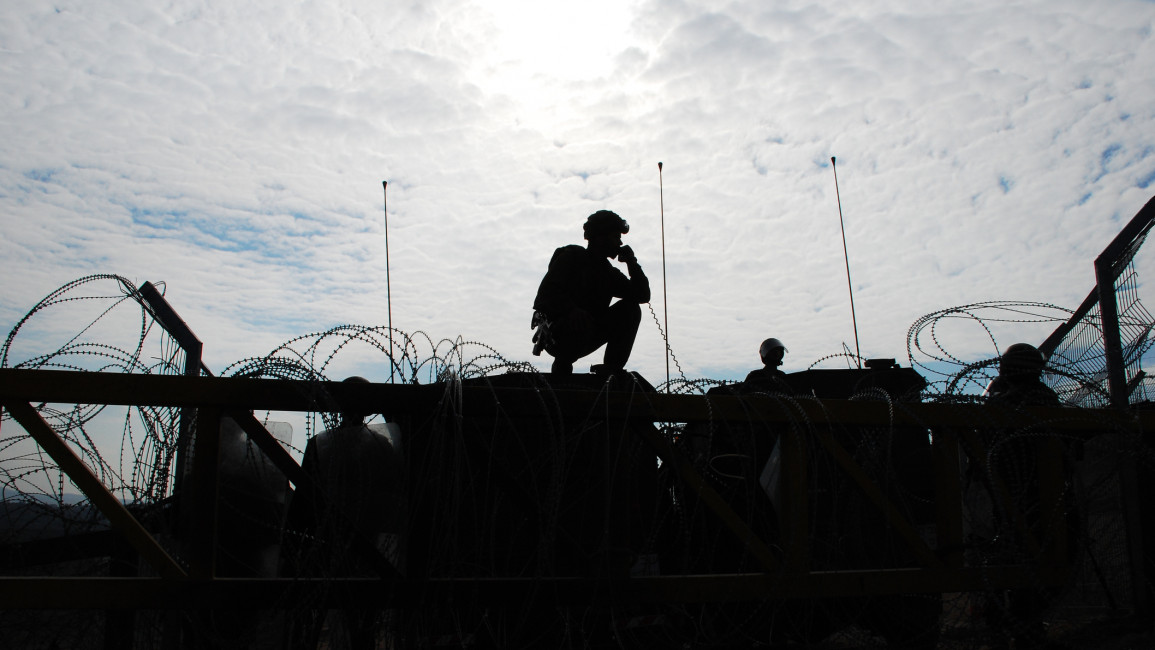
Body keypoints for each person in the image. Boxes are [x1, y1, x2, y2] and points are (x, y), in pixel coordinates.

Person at [283, 376, 402, 650]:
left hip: (329, 546)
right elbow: (393, 501)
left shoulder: (322, 444)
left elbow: (303, 504)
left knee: (327, 618)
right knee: (364, 624)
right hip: (370, 548)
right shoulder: (382, 447)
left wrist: (293, 552)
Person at [531, 210, 650, 375]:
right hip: (558, 333)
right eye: (615, 236)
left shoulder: (609, 273)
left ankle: (612, 369)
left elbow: (642, 295)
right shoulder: (571, 257)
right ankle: (562, 366)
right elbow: (544, 296)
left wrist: (631, 261)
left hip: (590, 330)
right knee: (578, 322)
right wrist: (570, 309)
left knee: (630, 309)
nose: (620, 243)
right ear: (600, 237)